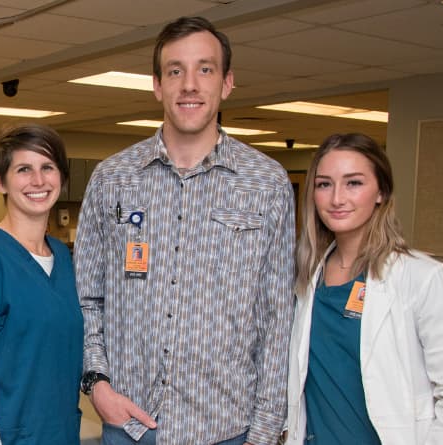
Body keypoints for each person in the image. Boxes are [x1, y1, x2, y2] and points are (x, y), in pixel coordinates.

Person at [75, 16, 295, 445]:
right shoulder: (112, 179)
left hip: (228, 429)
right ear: (157, 85)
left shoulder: (266, 184)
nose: (189, 84)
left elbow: (276, 317)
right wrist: (97, 385)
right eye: (175, 70)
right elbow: (89, 298)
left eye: (205, 69)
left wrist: (265, 431)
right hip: (130, 424)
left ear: (227, 82)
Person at [284, 133, 443, 444]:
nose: (337, 198)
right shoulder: (305, 277)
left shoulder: (424, 279)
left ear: (381, 191)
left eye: (354, 183)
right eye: (324, 184)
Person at [0, 123, 83, 444]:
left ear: (61, 178)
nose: (38, 180)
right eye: (23, 169)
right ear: (1, 181)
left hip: (57, 433)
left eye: (47, 167)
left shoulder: (64, 260)